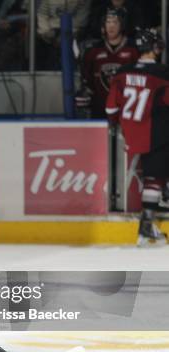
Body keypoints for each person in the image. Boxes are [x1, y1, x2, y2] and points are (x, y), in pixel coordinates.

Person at [106, 28, 169, 246]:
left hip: (132, 135)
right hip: (156, 134)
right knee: (155, 179)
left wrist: (124, 127)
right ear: (154, 48)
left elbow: (111, 111)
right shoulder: (163, 74)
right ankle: (145, 227)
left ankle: (147, 226)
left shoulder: (122, 72)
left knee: (154, 178)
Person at [78, 8, 139, 118]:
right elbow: (87, 82)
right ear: (103, 25)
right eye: (108, 22)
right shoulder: (92, 51)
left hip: (127, 110)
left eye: (115, 22)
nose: (111, 26)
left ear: (122, 25)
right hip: (99, 109)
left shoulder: (134, 50)